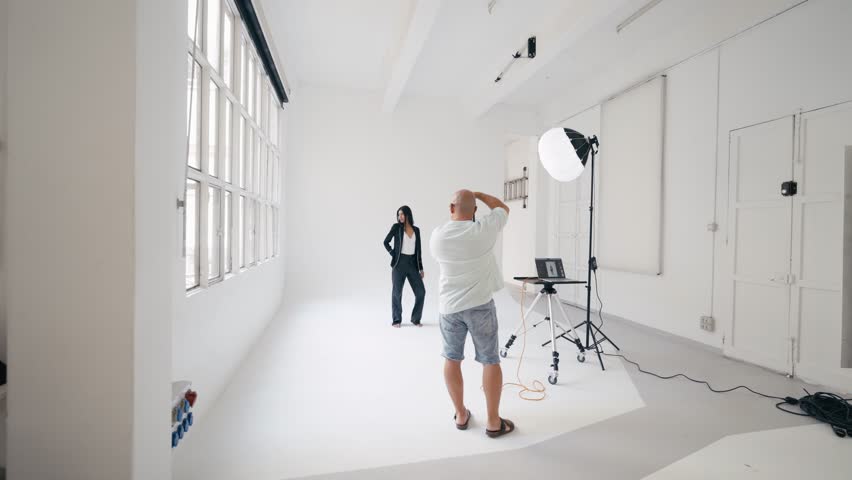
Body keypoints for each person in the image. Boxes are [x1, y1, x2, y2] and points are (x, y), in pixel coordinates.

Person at [430, 190, 514, 438]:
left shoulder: (438, 236)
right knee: (490, 360)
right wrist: (479, 195)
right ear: (475, 211)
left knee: (451, 359)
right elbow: (503, 209)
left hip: (450, 308)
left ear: (451, 207)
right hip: (480, 306)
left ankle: (461, 414)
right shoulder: (484, 231)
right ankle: (492, 422)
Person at [383, 205, 425, 328]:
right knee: (397, 292)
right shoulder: (396, 228)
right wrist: (393, 254)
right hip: (399, 264)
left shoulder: (416, 230)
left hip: (412, 264)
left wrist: (421, 268)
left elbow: (419, 251)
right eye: (398, 214)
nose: (399, 217)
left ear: (408, 215)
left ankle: (416, 319)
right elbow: (386, 242)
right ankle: (397, 320)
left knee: (421, 292)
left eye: (402, 214)